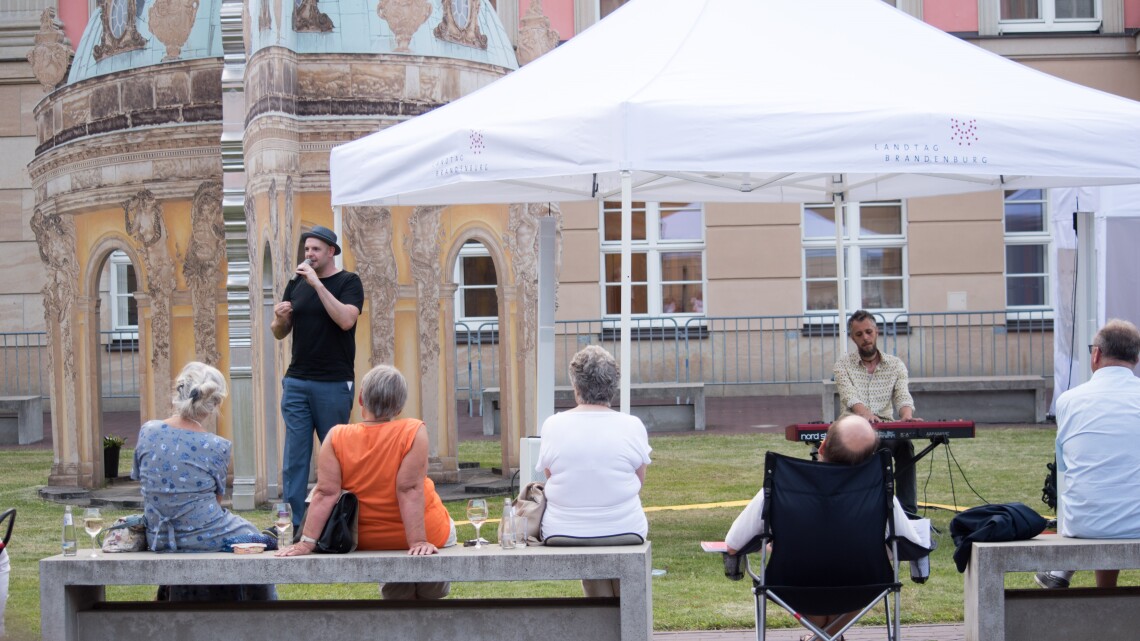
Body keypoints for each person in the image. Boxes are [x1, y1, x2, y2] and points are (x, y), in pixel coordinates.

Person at [725, 415, 922, 639]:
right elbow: (911, 544)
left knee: (810, 574)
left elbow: (733, 545)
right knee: (876, 561)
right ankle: (827, 636)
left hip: (793, 587)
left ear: (823, 446)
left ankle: (822, 637)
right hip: (863, 587)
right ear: (870, 457)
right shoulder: (881, 494)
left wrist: (775, 546)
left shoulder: (778, 490)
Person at [276, 365, 456, 600]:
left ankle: (399, 601)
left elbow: (325, 493)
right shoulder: (413, 430)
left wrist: (306, 542)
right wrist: (419, 541)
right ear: (400, 406)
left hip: (368, 539)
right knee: (444, 537)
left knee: (399, 594)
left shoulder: (336, 436)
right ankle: (429, 596)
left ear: (360, 398)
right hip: (426, 533)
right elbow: (409, 489)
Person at [132, 362, 276, 600]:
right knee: (256, 539)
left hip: (159, 535)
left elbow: (143, 482)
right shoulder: (217, 446)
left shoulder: (148, 431)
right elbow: (215, 502)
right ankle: (262, 612)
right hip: (201, 536)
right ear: (214, 403)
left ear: (179, 390)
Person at [537, 345, 653, 597]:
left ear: (576, 387)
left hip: (563, 530)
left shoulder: (553, 425)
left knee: (595, 572)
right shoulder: (632, 426)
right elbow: (638, 480)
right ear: (613, 386)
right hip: (626, 527)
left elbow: (550, 476)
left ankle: (600, 615)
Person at [1035, 319, 1140, 590]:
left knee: (1094, 479)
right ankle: (1096, 587)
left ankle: (1063, 572)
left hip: (1085, 522)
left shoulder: (1069, 400)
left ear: (1096, 354)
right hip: (1134, 518)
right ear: (1136, 358)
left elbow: (1066, 466)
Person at [272, 225, 364, 528]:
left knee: (336, 455)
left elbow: (346, 320)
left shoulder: (348, 282)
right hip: (297, 380)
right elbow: (280, 333)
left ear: (331, 252)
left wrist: (318, 285)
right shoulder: (296, 283)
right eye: (307, 249)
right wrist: (279, 319)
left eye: (315, 250)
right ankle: (294, 524)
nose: (309, 255)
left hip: (333, 382)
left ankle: (338, 520)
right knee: (295, 457)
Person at [833, 309, 922, 515]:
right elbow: (850, 397)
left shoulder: (896, 365)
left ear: (876, 332)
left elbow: (902, 396)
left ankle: (908, 512)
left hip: (885, 426)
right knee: (863, 447)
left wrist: (907, 417)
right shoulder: (842, 366)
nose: (865, 338)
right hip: (853, 428)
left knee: (905, 445)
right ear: (852, 338)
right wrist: (865, 414)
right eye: (859, 334)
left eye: (868, 332)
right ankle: (863, 508)